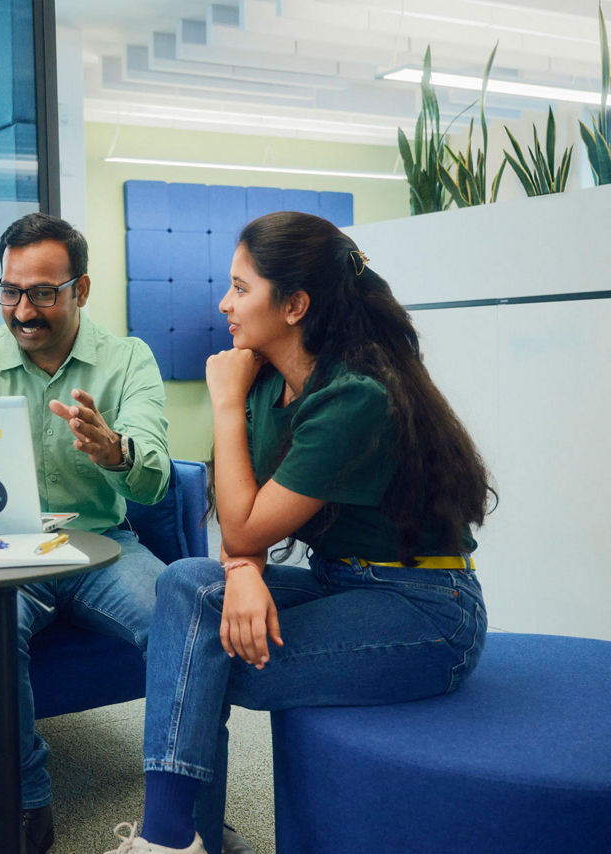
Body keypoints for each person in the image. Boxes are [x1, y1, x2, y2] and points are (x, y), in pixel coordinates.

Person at [105, 211, 492, 854]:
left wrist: (224, 406)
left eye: (240, 287)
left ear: (295, 305)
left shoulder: (355, 397)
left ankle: (172, 839)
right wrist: (242, 570)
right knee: (183, 584)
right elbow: (242, 527)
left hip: (425, 610)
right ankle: (180, 837)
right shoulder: (266, 381)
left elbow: (243, 523)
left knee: (199, 658)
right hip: (337, 582)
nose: (224, 303)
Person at [0, 212, 172, 853]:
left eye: (43, 292)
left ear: (82, 290)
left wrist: (116, 453)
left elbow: (153, 483)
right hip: (3, 548)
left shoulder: (128, 359)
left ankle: (184, 803)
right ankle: (26, 803)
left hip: (102, 545)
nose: (23, 310)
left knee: (179, 623)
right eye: (11, 291)